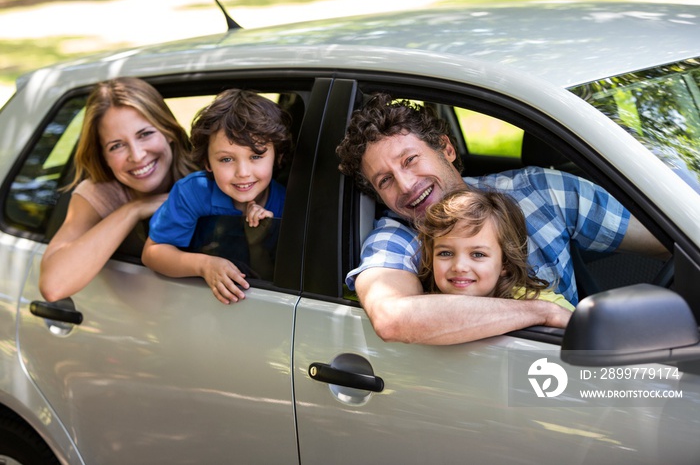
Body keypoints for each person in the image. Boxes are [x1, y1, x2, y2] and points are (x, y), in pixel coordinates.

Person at [336, 93, 668, 345]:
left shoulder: (541, 191)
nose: (406, 186)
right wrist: (544, 313)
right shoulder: (394, 238)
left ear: (446, 149)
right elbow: (393, 318)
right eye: (385, 181)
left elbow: (674, 239)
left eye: (410, 160)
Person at [39, 77, 197, 302]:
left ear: (168, 131)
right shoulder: (101, 192)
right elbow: (53, 286)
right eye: (117, 146)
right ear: (103, 157)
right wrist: (134, 209)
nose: (137, 155)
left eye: (145, 134)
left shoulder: (211, 175)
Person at [142, 89, 291, 305]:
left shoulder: (286, 203)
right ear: (207, 162)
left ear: (277, 155)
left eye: (256, 156)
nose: (243, 172)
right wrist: (204, 265)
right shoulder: (193, 191)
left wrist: (256, 243)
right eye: (226, 160)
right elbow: (153, 253)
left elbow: (272, 277)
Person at [416, 189, 575, 311]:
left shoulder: (543, 305)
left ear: (504, 263)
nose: (459, 266)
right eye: (445, 253)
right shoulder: (421, 307)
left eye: (478, 254)